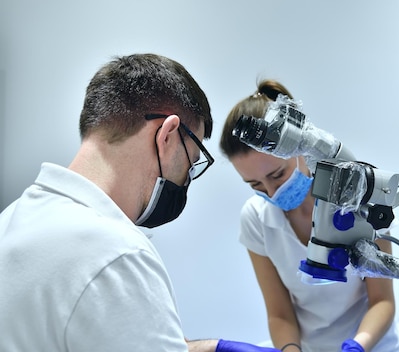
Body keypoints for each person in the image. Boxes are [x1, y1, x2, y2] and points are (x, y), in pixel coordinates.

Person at [0, 53, 278, 352]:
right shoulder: (115, 254)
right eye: (191, 162)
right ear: (168, 135)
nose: (185, 179)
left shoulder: (14, 219)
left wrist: (210, 347)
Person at [219, 79, 399, 352]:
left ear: (299, 149)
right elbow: (280, 314)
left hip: (374, 345)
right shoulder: (256, 220)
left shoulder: (360, 196)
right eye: (256, 185)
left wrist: (357, 346)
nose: (272, 193)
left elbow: (382, 301)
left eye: (277, 175)